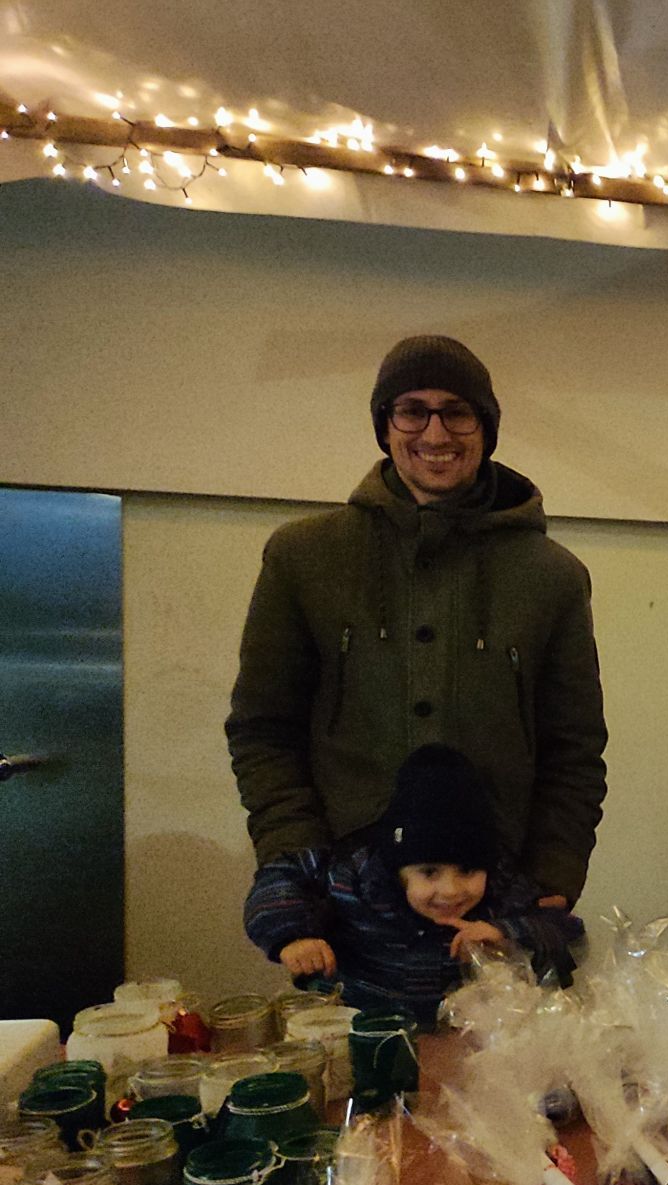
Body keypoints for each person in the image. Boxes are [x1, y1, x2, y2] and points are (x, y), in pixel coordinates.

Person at [225, 334, 607, 909]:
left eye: (457, 412)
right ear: (385, 426)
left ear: (486, 428)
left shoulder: (552, 576)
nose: (435, 434)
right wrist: (293, 857)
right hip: (340, 889)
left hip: (496, 897)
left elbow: (573, 750)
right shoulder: (304, 556)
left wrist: (551, 881)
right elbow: (263, 729)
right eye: (412, 411)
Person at [243, 745, 583, 1023]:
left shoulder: (503, 886)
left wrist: (506, 932)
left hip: (465, 1041)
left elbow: (564, 929)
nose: (451, 891)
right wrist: (293, 937)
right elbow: (280, 877)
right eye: (429, 872)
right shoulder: (351, 878)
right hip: (359, 1029)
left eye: (468, 871)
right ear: (397, 866)